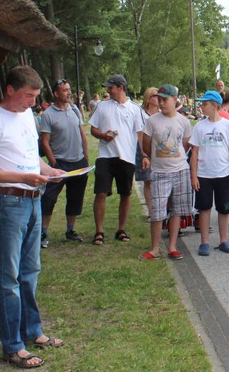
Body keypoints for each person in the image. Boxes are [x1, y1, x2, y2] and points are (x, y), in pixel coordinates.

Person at [0, 65, 66, 369]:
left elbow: (29, 153)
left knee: (30, 269)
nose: (32, 103)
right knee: (9, 276)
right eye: (28, 96)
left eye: (36, 97)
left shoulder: (26, 115)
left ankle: (32, 331)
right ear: (10, 90)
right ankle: (12, 345)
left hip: (33, 198)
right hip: (9, 201)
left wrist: (47, 170)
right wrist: (21, 177)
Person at [139, 84, 194, 260]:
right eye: (159, 100)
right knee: (157, 211)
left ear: (175, 100)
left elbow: (185, 145)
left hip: (180, 171)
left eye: (165, 100)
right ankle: (155, 248)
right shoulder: (152, 121)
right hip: (159, 172)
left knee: (177, 210)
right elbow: (146, 144)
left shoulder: (183, 121)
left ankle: (172, 246)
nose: (161, 103)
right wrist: (153, 158)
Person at [88, 74, 143, 245]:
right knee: (101, 192)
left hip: (126, 157)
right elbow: (93, 129)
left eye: (111, 87)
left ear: (121, 87)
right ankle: (99, 231)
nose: (108, 90)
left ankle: (121, 229)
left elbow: (140, 134)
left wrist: (144, 155)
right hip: (105, 156)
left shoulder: (134, 109)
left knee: (125, 194)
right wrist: (102, 135)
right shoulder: (102, 106)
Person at [38, 78, 89, 246]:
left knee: (75, 197)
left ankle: (70, 230)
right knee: (49, 198)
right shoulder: (48, 115)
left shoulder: (74, 110)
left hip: (78, 162)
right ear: (56, 94)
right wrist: (54, 163)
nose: (69, 93)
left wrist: (85, 158)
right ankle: (43, 233)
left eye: (69, 89)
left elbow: (82, 134)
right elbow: (45, 142)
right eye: (65, 90)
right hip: (60, 163)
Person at [190, 90, 229, 255]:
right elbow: (195, 152)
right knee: (204, 208)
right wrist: (193, 175)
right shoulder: (199, 126)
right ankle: (204, 242)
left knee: (224, 209)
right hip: (204, 174)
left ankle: (223, 240)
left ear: (215, 106)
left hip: (223, 174)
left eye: (205, 104)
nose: (202, 106)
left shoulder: (228, 125)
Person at [134, 87, 160, 207]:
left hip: (159, 148)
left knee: (160, 179)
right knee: (148, 180)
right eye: (155, 96)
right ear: (148, 98)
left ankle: (160, 207)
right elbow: (140, 133)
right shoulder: (141, 113)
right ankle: (151, 210)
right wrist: (144, 154)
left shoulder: (162, 113)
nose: (158, 98)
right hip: (145, 148)